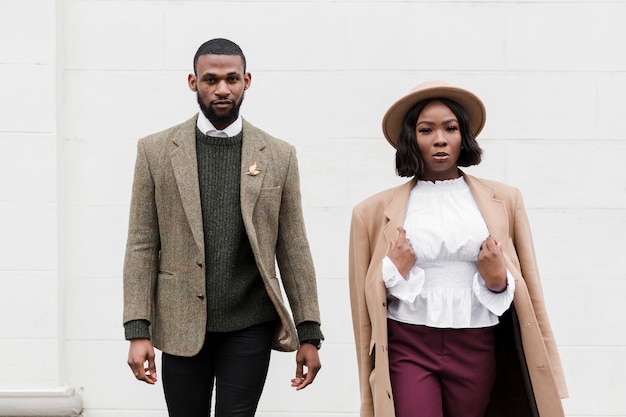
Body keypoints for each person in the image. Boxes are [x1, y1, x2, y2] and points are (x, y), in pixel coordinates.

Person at [123, 38, 323, 417]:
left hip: (250, 321)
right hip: (181, 323)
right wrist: (138, 329)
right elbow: (141, 245)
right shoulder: (156, 151)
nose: (221, 89)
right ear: (192, 82)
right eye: (210, 79)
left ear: (247, 80)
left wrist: (309, 332)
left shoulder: (279, 155)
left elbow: (293, 247)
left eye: (231, 79)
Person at [348, 81, 567, 417]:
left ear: (463, 137)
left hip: (476, 342)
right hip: (408, 342)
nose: (439, 139)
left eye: (450, 128)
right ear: (412, 138)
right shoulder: (372, 211)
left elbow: (529, 286)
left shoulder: (505, 200)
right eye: (426, 130)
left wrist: (498, 281)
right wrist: (393, 270)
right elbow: (363, 297)